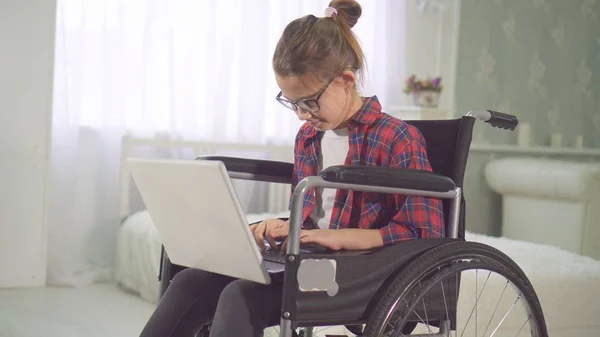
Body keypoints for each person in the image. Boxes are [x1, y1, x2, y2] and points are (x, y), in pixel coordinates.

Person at [139, 1, 445, 336]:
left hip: (363, 272)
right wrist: (284, 227)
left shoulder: (398, 138)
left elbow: (424, 235)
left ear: (346, 80)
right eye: (292, 103)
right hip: (311, 261)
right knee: (190, 282)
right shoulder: (308, 138)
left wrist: (338, 239)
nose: (302, 114)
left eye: (309, 101)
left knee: (241, 296)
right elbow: (314, 219)